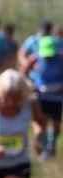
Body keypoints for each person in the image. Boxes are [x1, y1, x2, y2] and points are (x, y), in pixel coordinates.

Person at [20, 22, 63, 158]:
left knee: (56, 125)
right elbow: (23, 70)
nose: (48, 57)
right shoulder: (35, 57)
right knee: (40, 122)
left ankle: (51, 145)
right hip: (41, 95)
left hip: (57, 97)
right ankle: (42, 146)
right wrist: (29, 83)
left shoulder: (61, 57)